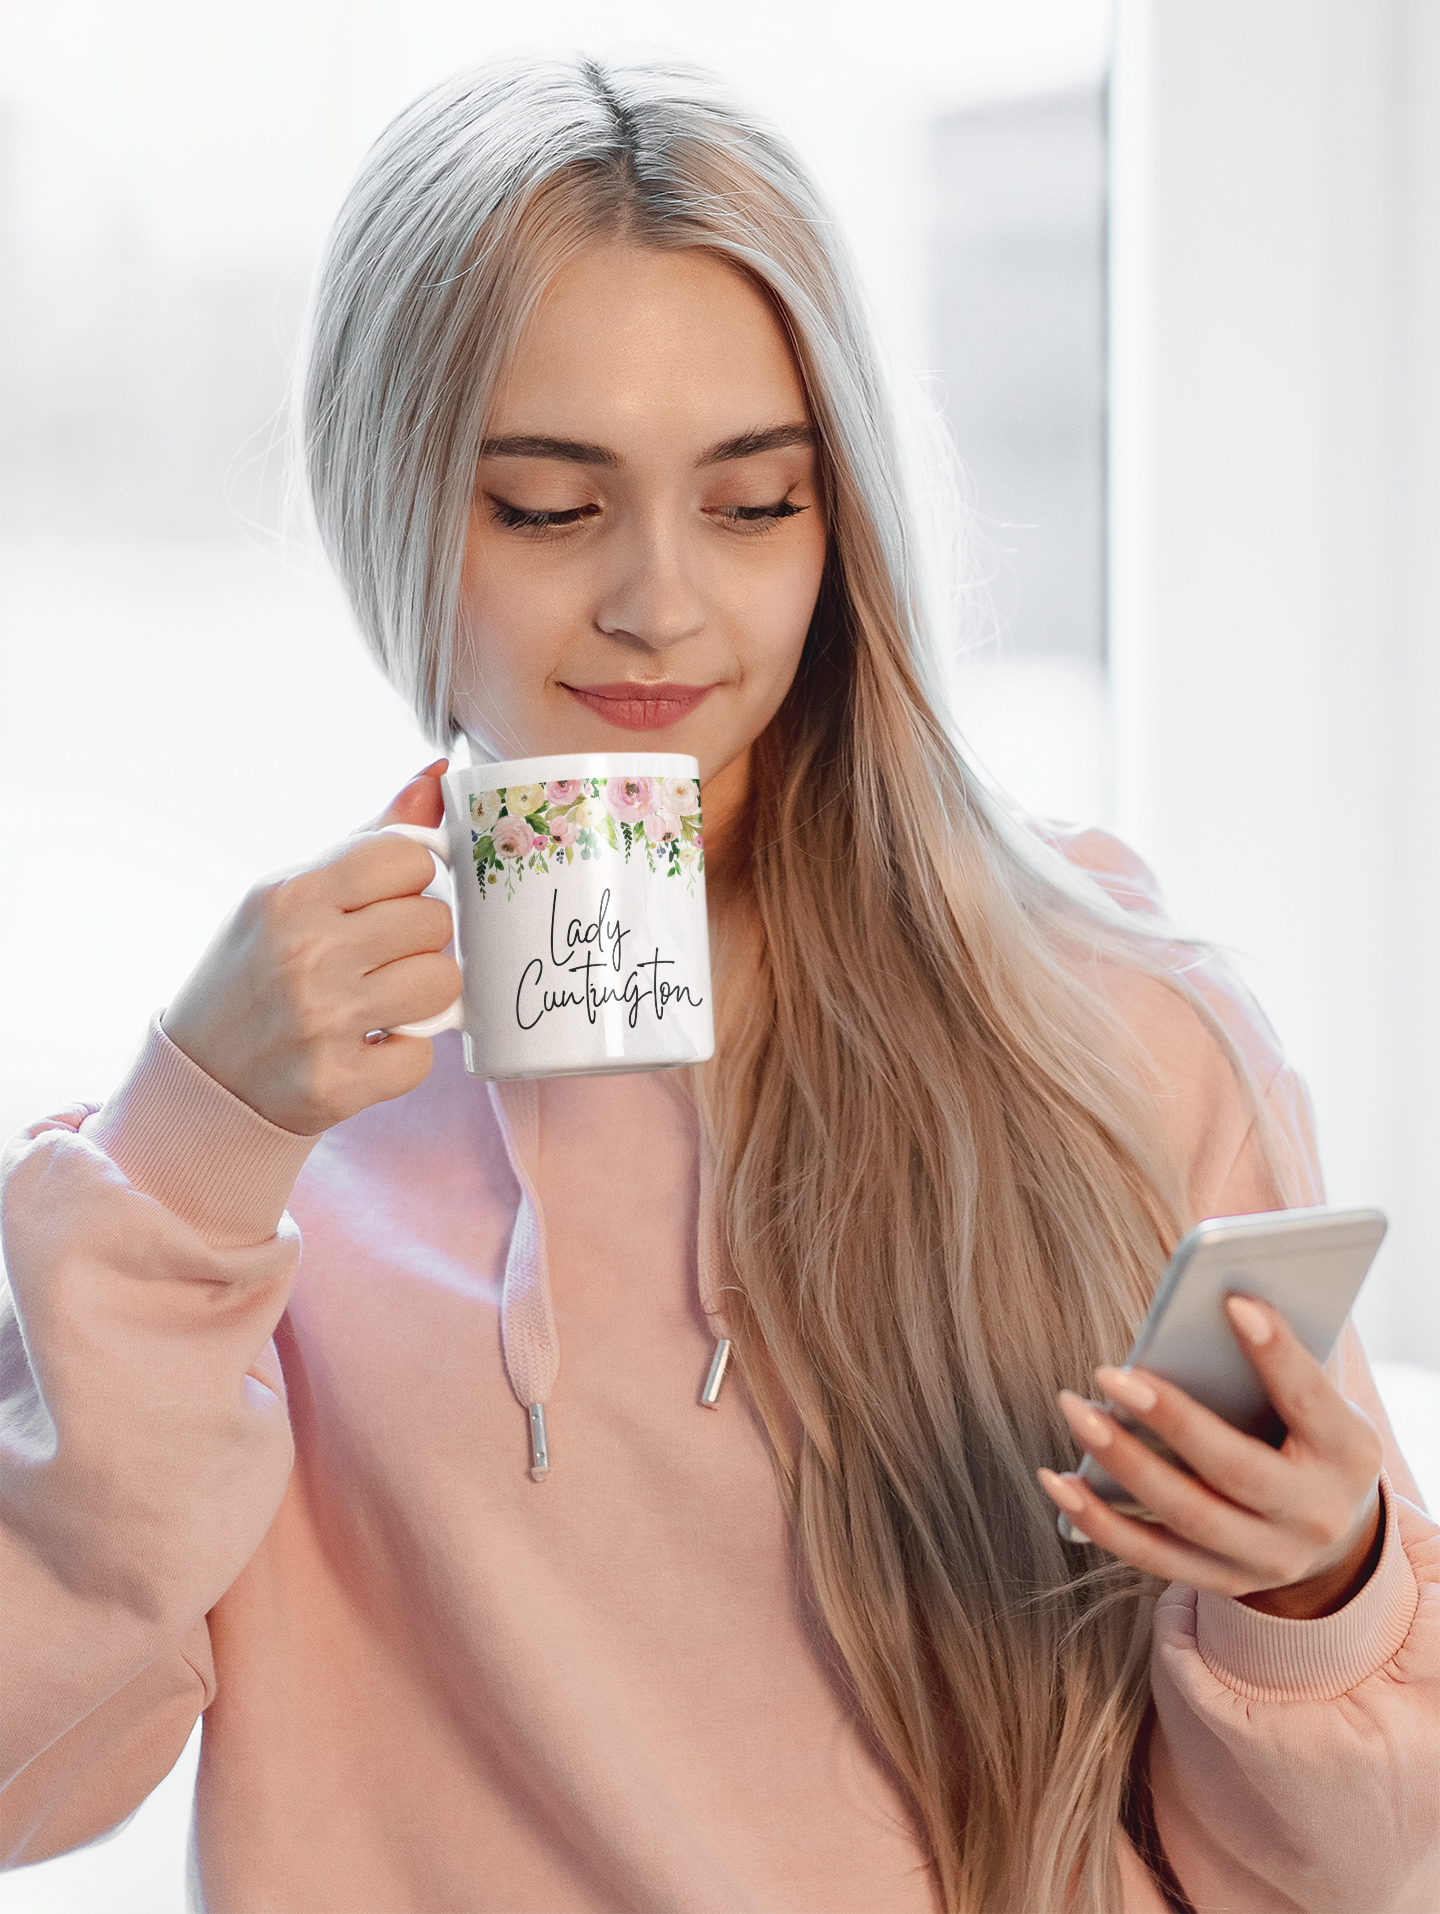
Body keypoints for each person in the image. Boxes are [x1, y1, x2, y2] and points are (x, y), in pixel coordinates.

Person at [1, 55, 1436, 1914]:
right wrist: (187, 1157)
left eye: (755, 504)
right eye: (544, 507)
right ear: (390, 502)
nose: (661, 603)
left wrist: (1315, 1593)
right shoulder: (251, 1154)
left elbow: (1347, 1880)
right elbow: (32, 1768)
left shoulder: (1113, 1031)